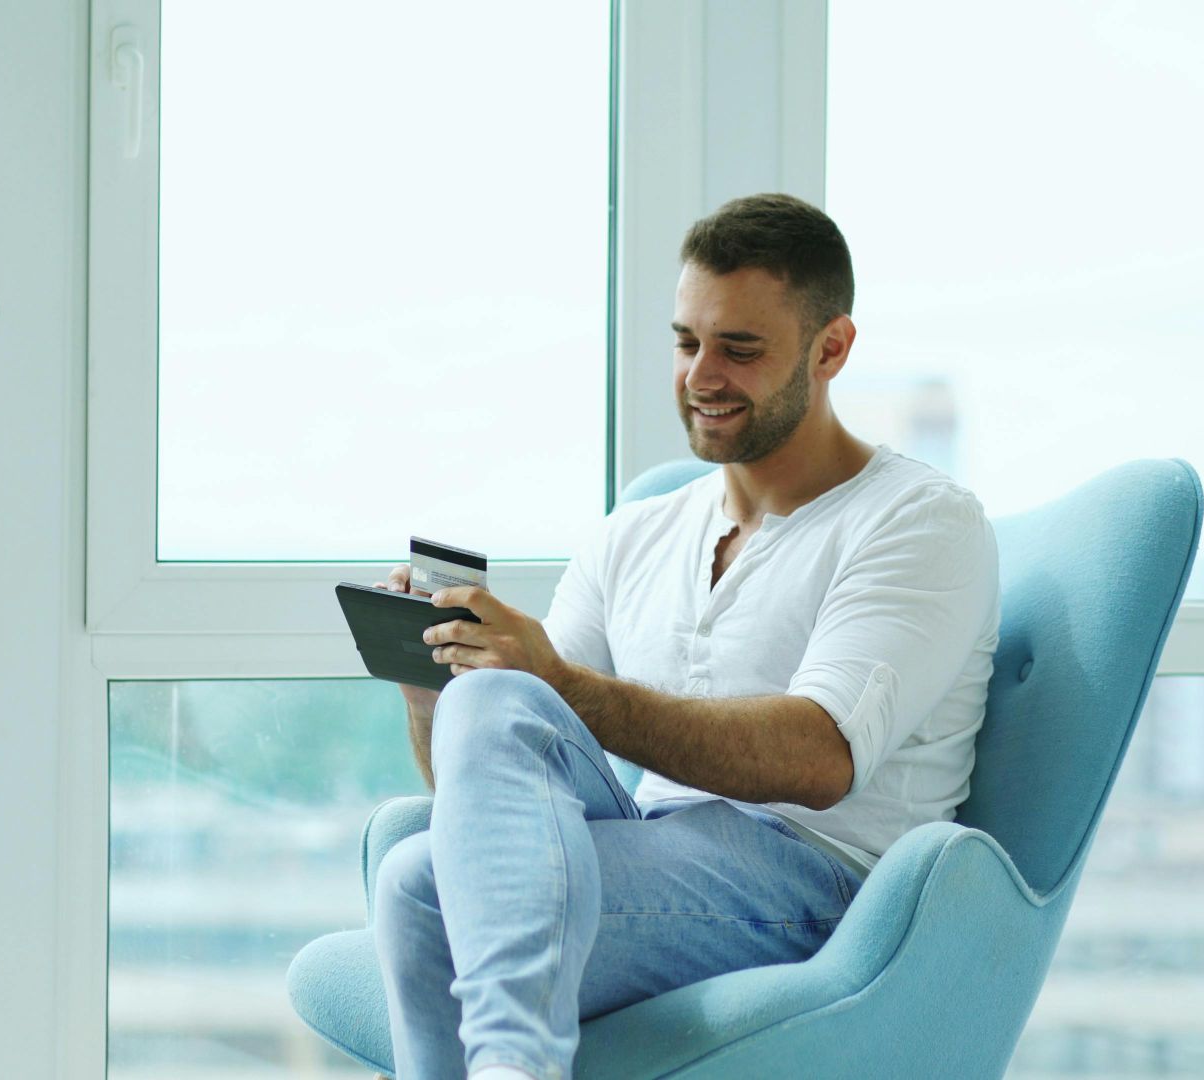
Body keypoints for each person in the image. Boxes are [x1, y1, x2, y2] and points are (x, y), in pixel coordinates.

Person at [367, 193, 1000, 1080]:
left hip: (817, 883)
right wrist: (434, 689)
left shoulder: (918, 520)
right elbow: (497, 790)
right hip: (654, 844)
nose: (702, 375)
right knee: (470, 753)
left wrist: (557, 682)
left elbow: (822, 758)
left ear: (831, 349)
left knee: (425, 888)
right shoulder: (635, 533)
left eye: (739, 349)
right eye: (686, 342)